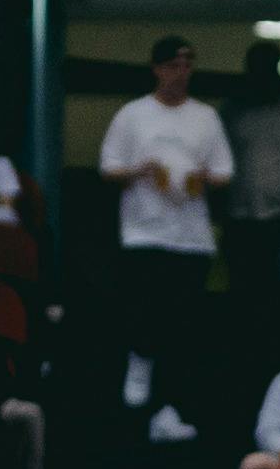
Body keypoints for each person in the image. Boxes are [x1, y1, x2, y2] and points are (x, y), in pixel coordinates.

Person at [99, 36, 236, 441]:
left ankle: (169, 408)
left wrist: (202, 178)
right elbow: (108, 168)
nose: (182, 72)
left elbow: (224, 172)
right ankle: (138, 366)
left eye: (188, 64)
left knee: (182, 323)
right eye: (174, 65)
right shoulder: (132, 115)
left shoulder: (206, 118)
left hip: (190, 236)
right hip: (144, 230)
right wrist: (142, 170)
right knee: (146, 310)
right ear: (157, 69)